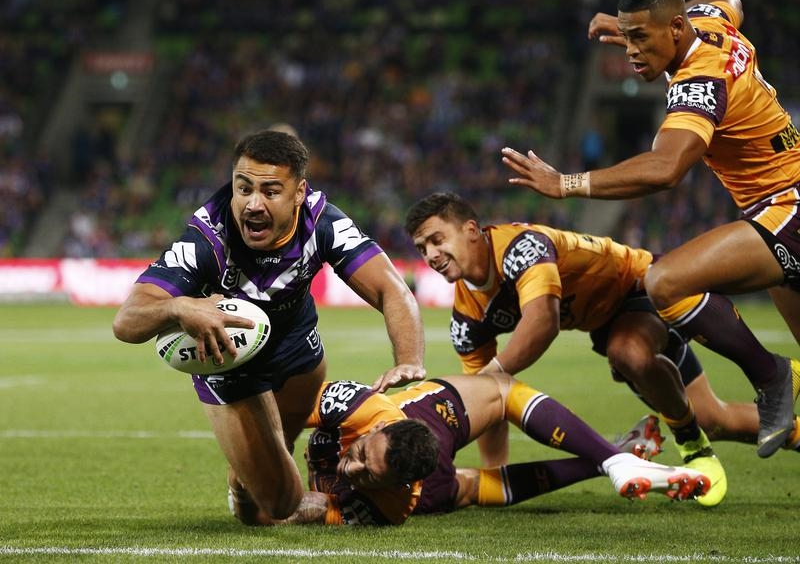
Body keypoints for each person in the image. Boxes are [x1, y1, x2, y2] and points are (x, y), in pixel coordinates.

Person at [500, 0, 800, 459]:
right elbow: (730, 0)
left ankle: (771, 375)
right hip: (778, 203)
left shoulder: (700, 80)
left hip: (787, 205)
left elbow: (665, 169)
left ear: (676, 30)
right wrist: (636, 25)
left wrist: (565, 183)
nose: (631, 52)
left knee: (664, 282)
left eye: (641, 38)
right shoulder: (709, 23)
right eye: (628, 38)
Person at [404, 192, 800, 507]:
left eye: (438, 239)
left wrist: (494, 373)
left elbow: (543, 321)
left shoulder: (521, 247)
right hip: (609, 325)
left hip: (645, 285)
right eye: (422, 248)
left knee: (627, 352)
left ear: (471, 230)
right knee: (715, 418)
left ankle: (691, 441)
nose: (431, 255)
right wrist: (497, 472)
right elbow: (486, 400)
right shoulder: (466, 318)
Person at [112, 129, 426, 521]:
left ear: (299, 193)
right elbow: (126, 321)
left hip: (298, 350)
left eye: (270, 191)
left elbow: (391, 289)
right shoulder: (208, 238)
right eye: (243, 188)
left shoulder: (322, 222)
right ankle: (245, 484)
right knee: (278, 505)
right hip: (232, 365)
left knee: (282, 451)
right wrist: (180, 307)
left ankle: (257, 470)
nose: (253, 204)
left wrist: (408, 358)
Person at [227, 374, 708, 526]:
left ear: (397, 485)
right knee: (501, 391)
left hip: (429, 481)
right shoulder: (361, 407)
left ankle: (614, 459)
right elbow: (283, 411)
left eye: (368, 475)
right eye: (360, 457)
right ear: (376, 430)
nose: (352, 471)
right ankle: (614, 457)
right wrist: (262, 455)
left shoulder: (393, 505)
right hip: (428, 415)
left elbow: (296, 510)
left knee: (471, 486)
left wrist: (247, 491)